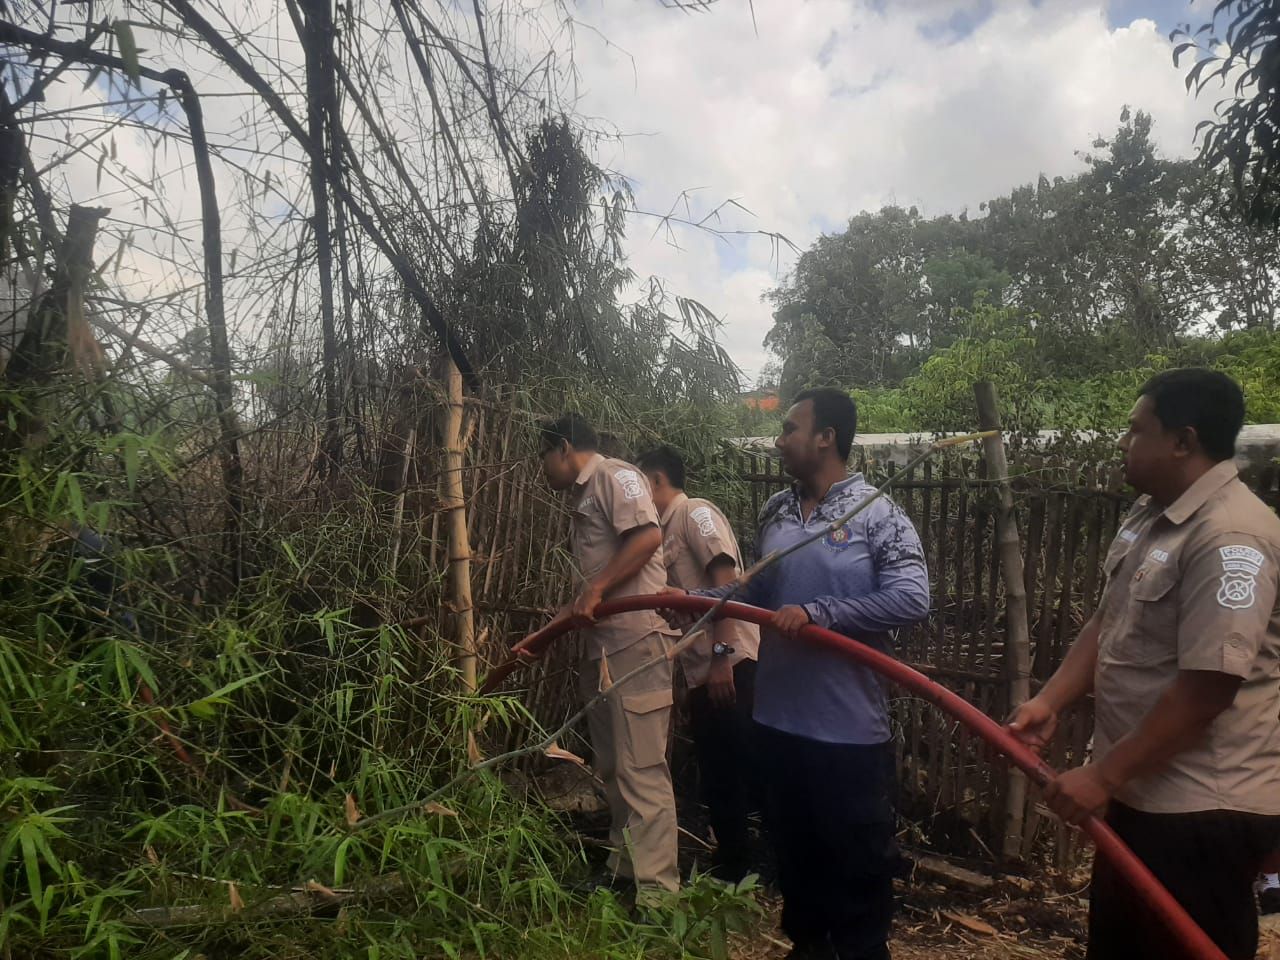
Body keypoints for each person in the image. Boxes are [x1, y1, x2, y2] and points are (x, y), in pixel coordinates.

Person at [1008, 369, 1280, 960]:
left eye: (1136, 430)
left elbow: (1208, 689)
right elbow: (1107, 623)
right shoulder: (1150, 517)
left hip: (1202, 809)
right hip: (1143, 791)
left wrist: (1101, 776)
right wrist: (1047, 702)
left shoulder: (1230, 535)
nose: (1124, 442)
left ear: (1182, 441)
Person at [664, 388, 930, 960]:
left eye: (789, 429)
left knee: (857, 867)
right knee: (796, 858)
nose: (779, 440)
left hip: (848, 732)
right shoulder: (778, 512)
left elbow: (912, 596)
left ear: (825, 437)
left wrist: (822, 613)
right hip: (779, 723)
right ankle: (808, 947)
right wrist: (696, 600)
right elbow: (756, 592)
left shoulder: (877, 513)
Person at [536, 413, 681, 898]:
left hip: (635, 645)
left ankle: (658, 895)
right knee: (616, 769)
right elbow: (591, 594)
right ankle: (624, 873)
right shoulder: (587, 492)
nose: (540, 470)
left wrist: (595, 587)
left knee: (642, 769)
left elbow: (646, 537)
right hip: (604, 651)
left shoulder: (615, 476)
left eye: (542, 457)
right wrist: (551, 628)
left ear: (562, 447)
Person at [637, 444, 762, 883]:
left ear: (654, 481)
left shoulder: (695, 514)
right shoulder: (661, 531)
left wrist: (723, 658)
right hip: (702, 669)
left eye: (638, 485)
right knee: (718, 768)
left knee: (740, 765)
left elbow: (726, 582)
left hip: (731, 662)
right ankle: (733, 864)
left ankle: (750, 866)